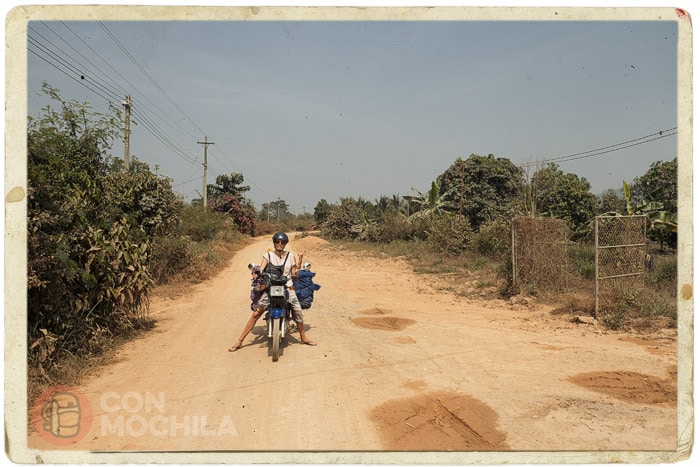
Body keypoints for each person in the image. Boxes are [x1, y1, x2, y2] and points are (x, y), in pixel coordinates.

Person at [229, 232, 317, 351]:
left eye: (282, 242)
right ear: (274, 242)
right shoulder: (268, 255)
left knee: (298, 310)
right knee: (256, 313)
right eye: (277, 242)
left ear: (285, 244)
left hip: (287, 287)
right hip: (271, 287)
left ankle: (303, 337)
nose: (280, 244)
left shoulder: (290, 256)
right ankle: (239, 341)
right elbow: (261, 268)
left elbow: (294, 273)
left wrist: (300, 262)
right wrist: (257, 272)